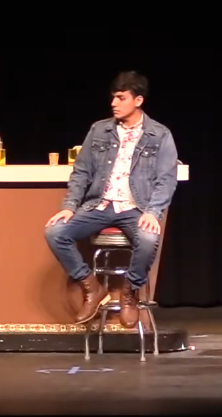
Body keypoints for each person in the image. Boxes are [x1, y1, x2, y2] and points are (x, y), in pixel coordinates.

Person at [44, 70, 180, 329]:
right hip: (100, 204)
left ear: (137, 100)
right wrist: (69, 206)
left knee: (149, 238)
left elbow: (166, 178)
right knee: (55, 232)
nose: (114, 103)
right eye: (113, 98)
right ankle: (92, 288)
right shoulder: (99, 130)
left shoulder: (160, 134)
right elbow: (81, 172)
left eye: (120, 98)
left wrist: (153, 211)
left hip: (135, 208)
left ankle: (130, 293)